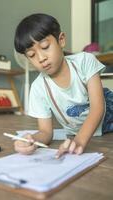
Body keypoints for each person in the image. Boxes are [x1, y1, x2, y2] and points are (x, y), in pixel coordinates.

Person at [14, 13, 113, 158]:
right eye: (32, 55)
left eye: (45, 47)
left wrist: (79, 140)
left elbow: (98, 107)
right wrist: (33, 140)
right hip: (79, 129)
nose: (41, 58)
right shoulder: (38, 88)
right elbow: (46, 132)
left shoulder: (85, 61)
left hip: (107, 111)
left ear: (61, 40)